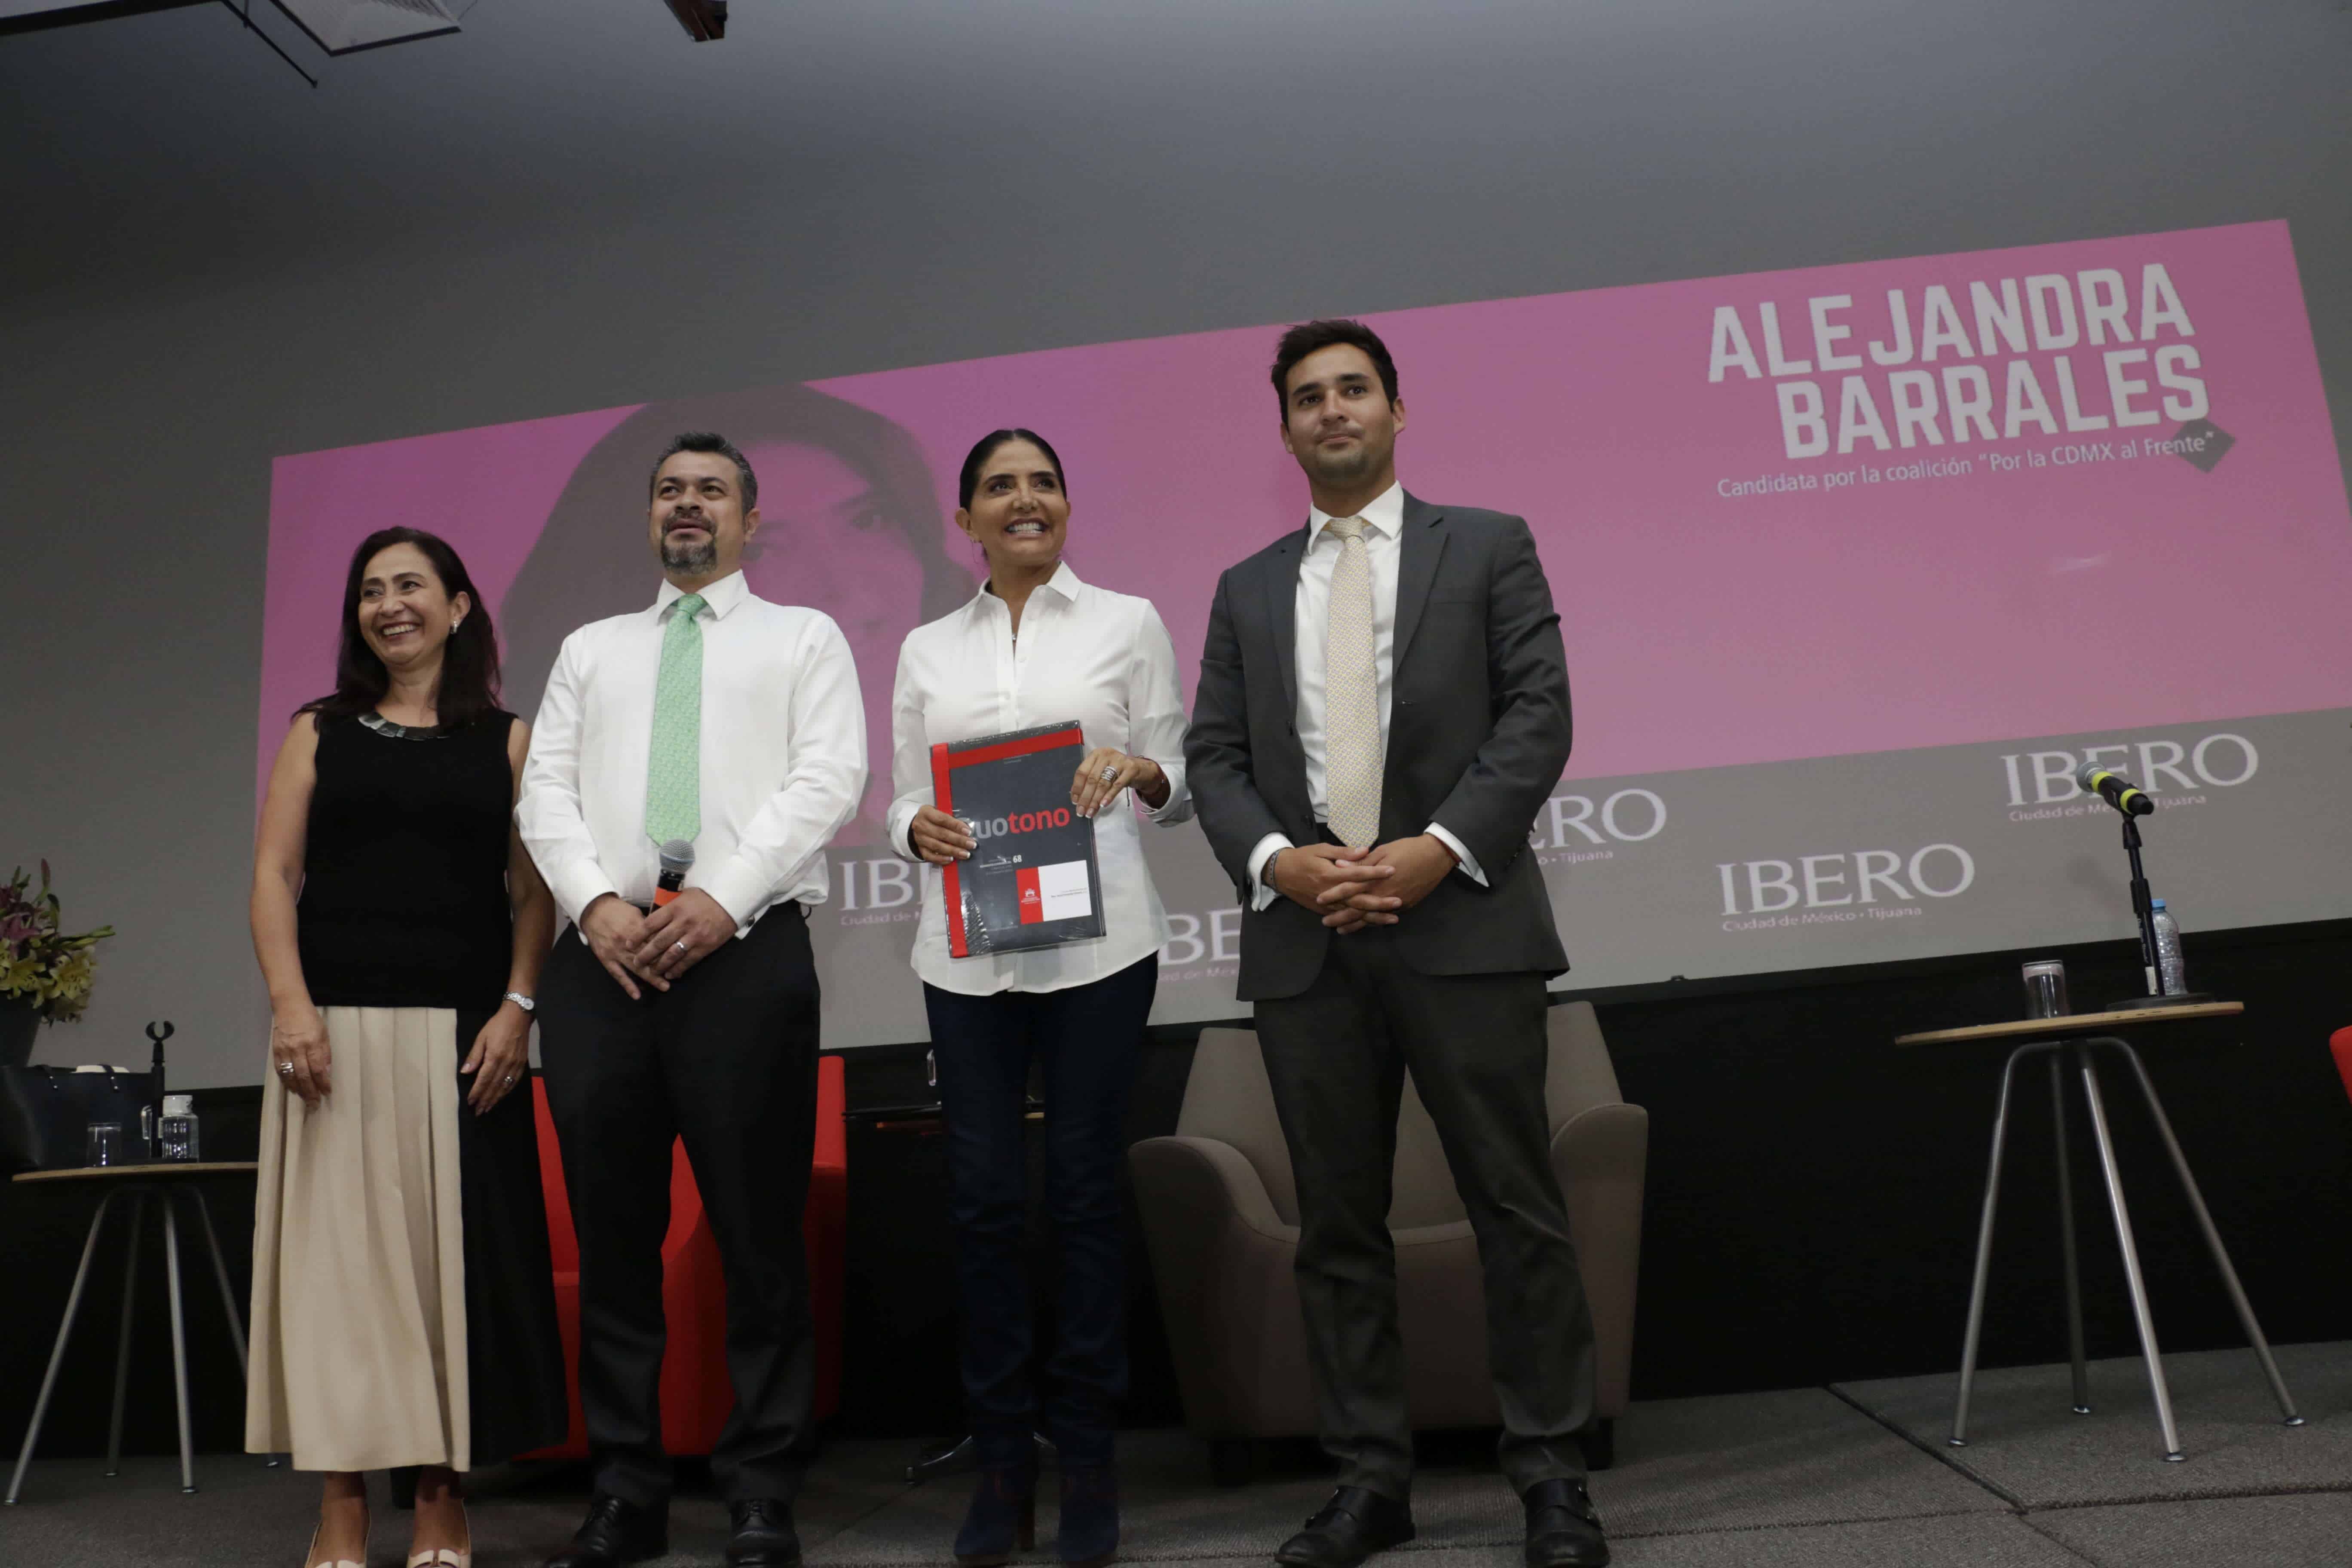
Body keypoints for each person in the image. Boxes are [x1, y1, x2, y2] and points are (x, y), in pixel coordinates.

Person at [1183, 321, 1609, 1568]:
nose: (1331, 412)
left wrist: (1433, 850)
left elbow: (1539, 714)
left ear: (1396, 410)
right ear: (1285, 430)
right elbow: (1213, 758)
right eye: (1307, 398)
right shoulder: (1247, 587)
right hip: (1311, 946)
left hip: (1464, 922)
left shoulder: (1487, 545)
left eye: (1352, 390)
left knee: (1516, 1207)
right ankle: (1369, 1480)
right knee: (1339, 1227)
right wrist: (1284, 866)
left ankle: (1552, 1477)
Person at [517, 432, 866, 1568]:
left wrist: (717, 900)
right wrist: (593, 906)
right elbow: (546, 793)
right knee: (618, 1244)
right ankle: (626, 1491)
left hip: (743, 957)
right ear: (649, 517)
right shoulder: (589, 650)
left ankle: (761, 1487)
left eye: (711, 490)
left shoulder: (803, 638)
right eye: (670, 490)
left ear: (748, 520)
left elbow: (828, 777)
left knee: (761, 1241)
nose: (687, 506)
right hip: (601, 967)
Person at [888, 431, 1192, 1568]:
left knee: (1080, 1194)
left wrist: (1140, 771)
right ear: (965, 519)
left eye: (1045, 483)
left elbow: (1179, 776)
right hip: (965, 956)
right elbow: (906, 795)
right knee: (980, 1206)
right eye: (1000, 487)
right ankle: (1003, 1464)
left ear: (1068, 504)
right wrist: (907, 827)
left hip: (1102, 950)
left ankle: (1090, 1462)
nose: (1026, 499)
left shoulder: (1127, 622)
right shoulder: (925, 647)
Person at [248, 526, 567, 1568]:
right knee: (339, 1281)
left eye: (412, 586)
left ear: (461, 606)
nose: (390, 604)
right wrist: (291, 1007)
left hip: (464, 1043)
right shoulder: (318, 730)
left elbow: (533, 894)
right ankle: (340, 1503)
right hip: (330, 1037)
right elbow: (271, 877)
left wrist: (519, 1008)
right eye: (371, 590)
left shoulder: (509, 740)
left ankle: (440, 1498)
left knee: (446, 1287)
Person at [500, 386, 973, 842]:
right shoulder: (592, 662)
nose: (844, 587)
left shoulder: (970, 711)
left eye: (866, 521)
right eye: (765, 551)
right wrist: (597, 903)